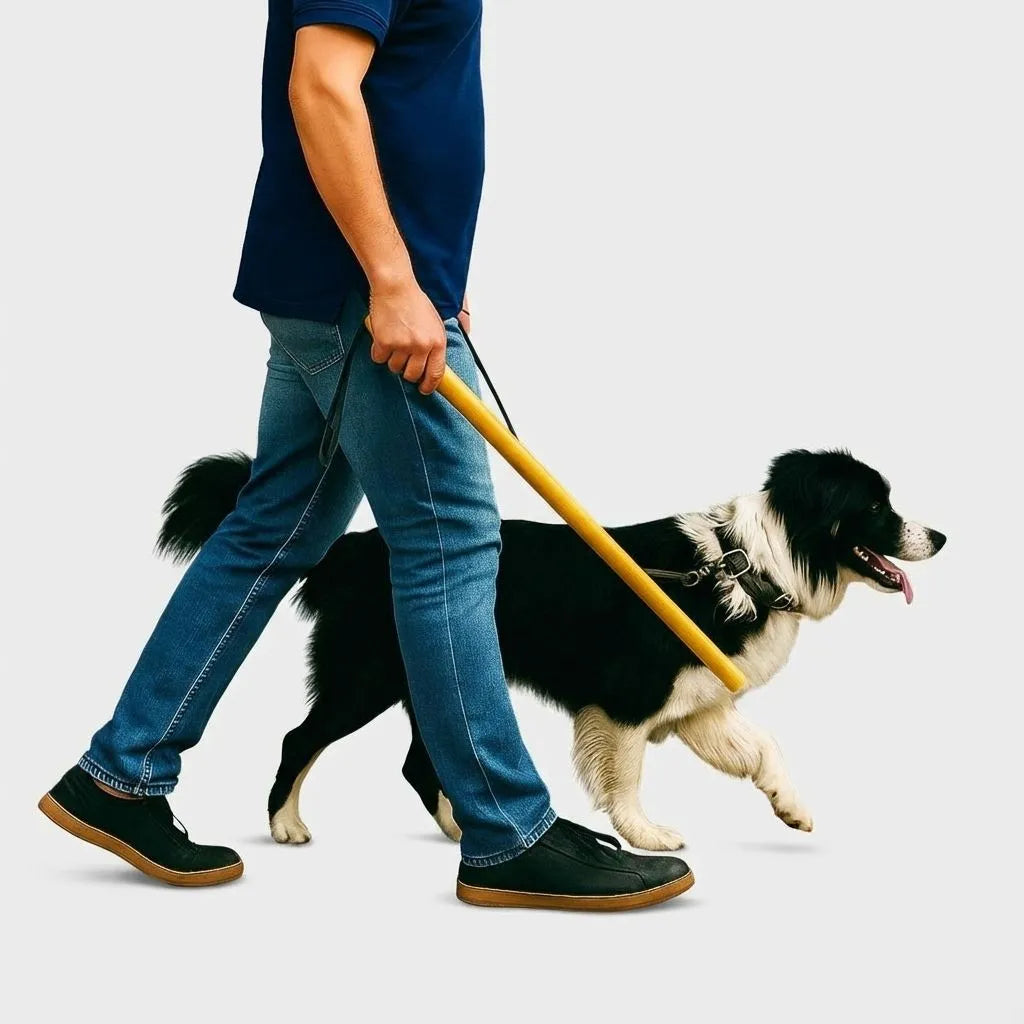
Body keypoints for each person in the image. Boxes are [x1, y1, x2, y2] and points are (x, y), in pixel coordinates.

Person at [38, 0, 693, 911]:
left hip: (358, 286)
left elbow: (402, 91)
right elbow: (322, 86)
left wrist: (429, 278)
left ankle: (122, 771)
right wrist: (392, 280)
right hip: (360, 292)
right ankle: (508, 830)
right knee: (451, 547)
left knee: (273, 527)